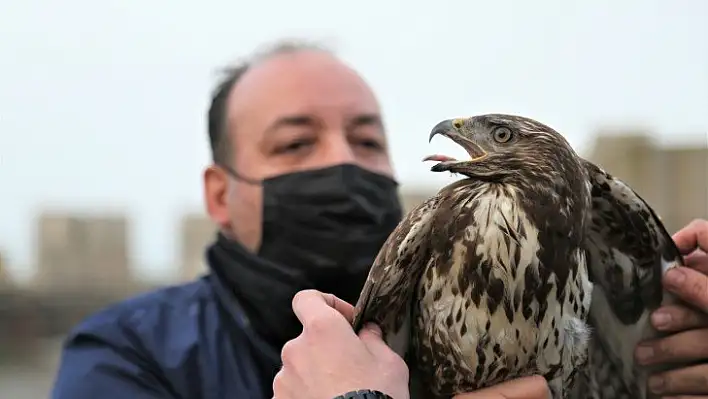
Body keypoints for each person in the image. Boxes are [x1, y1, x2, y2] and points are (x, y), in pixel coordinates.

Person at [48, 39, 708, 399]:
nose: (343, 161)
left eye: (366, 141)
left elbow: (636, 344)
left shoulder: (544, 243)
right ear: (219, 196)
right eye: (296, 143)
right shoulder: (129, 356)